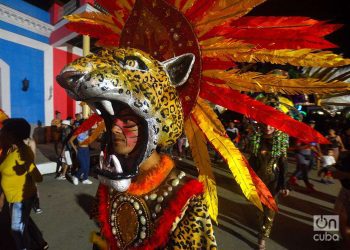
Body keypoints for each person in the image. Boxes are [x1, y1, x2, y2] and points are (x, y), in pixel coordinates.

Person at [0, 118, 47, 250]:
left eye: (4, 132)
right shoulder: (10, 150)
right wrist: (3, 196)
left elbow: (38, 177)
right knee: (21, 228)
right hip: (13, 198)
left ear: (13, 135)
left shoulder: (23, 152)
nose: (2, 134)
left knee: (16, 229)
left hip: (22, 199)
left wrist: (27, 168)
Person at [249, 124, 290, 249]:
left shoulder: (280, 141)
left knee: (270, 211)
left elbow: (284, 165)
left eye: (271, 124)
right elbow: (252, 163)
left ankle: (262, 237)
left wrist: (284, 185)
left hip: (274, 182)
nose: (267, 127)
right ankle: (261, 230)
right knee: (259, 210)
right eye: (265, 124)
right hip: (258, 181)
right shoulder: (257, 139)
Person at [332, 151, 350, 249]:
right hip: (345, 190)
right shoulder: (346, 156)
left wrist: (343, 174)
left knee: (342, 219)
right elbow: (335, 172)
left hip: (347, 192)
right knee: (341, 219)